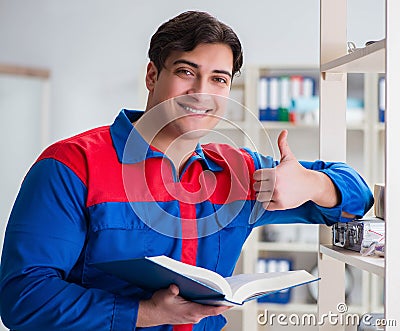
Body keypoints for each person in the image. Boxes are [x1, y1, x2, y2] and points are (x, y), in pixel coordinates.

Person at [0, 10, 373, 331]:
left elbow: (358, 197)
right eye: (185, 71)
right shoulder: (71, 166)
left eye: (219, 79)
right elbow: (23, 297)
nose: (201, 92)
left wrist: (312, 183)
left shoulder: (238, 174)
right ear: (151, 75)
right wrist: (142, 314)